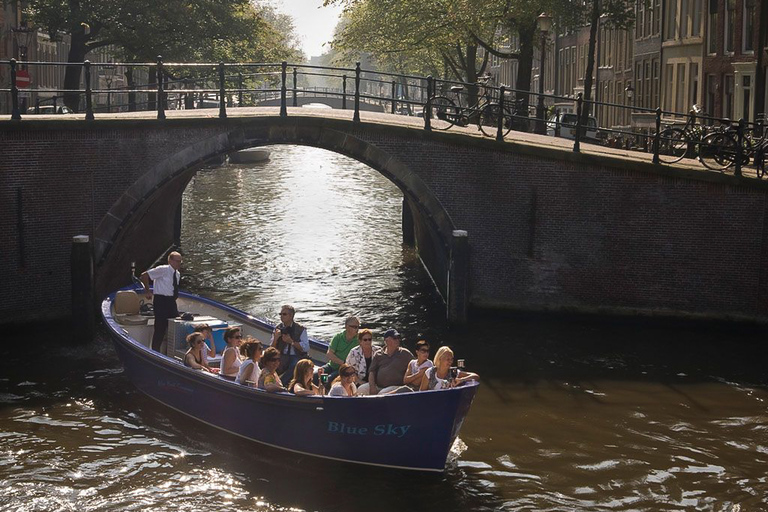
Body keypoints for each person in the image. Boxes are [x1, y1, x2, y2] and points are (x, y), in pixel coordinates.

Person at [140, 251, 183, 352]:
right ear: (170, 261)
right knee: (160, 327)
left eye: (180, 261)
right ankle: (155, 350)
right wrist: (147, 291)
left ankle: (171, 351)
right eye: (177, 261)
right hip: (161, 300)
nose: (179, 264)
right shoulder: (163, 269)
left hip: (171, 301)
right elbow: (144, 275)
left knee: (175, 325)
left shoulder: (177, 274)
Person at [358, 328, 413, 396]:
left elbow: (415, 365)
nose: (397, 340)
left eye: (398, 338)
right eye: (394, 338)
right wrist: (372, 386)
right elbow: (372, 371)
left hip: (396, 386)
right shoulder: (378, 354)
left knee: (382, 394)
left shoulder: (405, 353)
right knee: (361, 389)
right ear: (387, 341)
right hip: (378, 385)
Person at [271, 305, 309, 386]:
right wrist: (275, 338)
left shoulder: (301, 329)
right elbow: (271, 349)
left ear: (291, 316)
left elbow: (305, 348)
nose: (281, 316)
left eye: (284, 314)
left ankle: (281, 384)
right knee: (269, 361)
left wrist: (291, 341)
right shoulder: (278, 328)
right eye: (280, 314)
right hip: (281, 354)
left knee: (294, 365)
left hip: (295, 355)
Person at [318, 316, 360, 383]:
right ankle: (317, 389)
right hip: (331, 366)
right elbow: (329, 354)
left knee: (328, 379)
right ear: (347, 327)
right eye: (355, 327)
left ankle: (323, 389)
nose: (357, 329)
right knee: (317, 374)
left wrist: (344, 365)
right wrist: (342, 362)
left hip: (343, 370)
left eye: (358, 327)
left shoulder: (359, 340)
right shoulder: (338, 337)